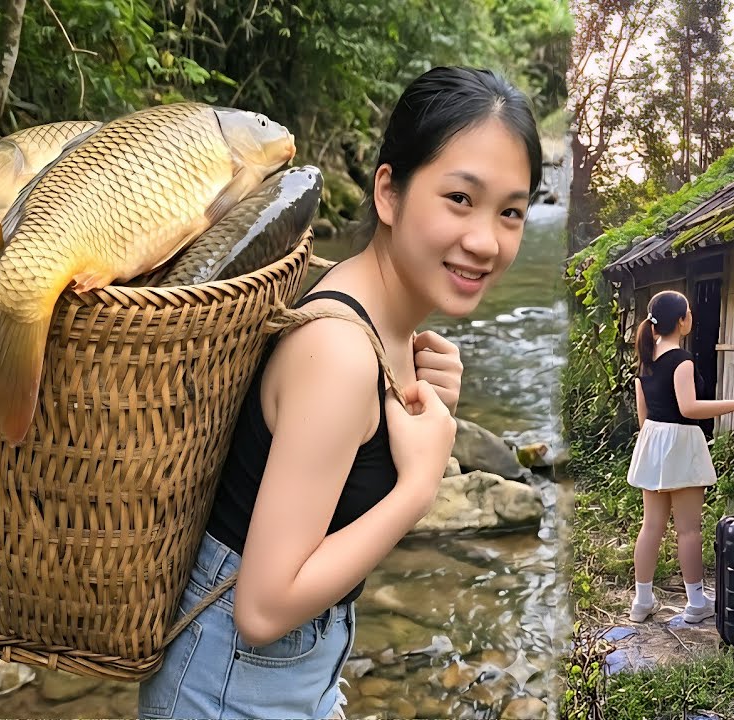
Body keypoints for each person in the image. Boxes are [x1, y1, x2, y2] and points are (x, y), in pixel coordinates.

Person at [138, 66, 542, 720]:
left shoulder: (378, 322)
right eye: (460, 199)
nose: (485, 241)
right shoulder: (338, 353)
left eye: (512, 213)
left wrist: (417, 396)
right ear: (389, 193)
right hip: (228, 689)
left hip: (295, 674)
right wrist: (418, 486)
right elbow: (265, 608)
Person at [626, 290, 734, 624]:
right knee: (688, 530)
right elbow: (689, 407)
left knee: (651, 527)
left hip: (653, 441)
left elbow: (643, 417)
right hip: (681, 443)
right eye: (689, 311)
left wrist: (657, 440)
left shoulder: (647, 358)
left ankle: (642, 601)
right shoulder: (682, 360)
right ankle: (696, 604)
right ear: (682, 320)